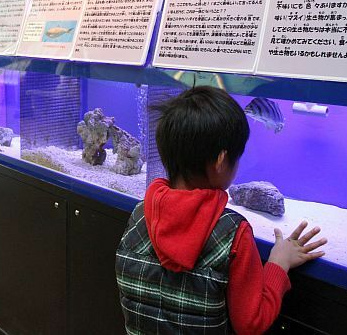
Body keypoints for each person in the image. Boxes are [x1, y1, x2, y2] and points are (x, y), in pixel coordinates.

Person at [116, 86, 326, 334]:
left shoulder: (140, 214)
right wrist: (279, 263)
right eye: (237, 158)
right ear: (220, 161)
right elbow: (250, 323)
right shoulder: (233, 233)